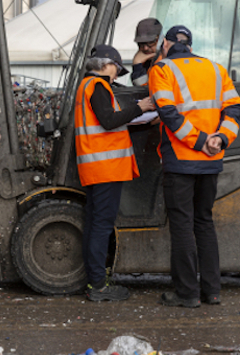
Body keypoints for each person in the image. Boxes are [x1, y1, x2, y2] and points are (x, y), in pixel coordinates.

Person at [148, 26, 240, 308]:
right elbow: (234, 109)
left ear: (166, 44)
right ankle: (212, 291)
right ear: (190, 45)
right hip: (211, 161)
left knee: (182, 226)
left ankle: (187, 293)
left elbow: (167, 112)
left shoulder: (162, 69)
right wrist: (220, 139)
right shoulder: (216, 69)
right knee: (204, 222)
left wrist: (200, 141)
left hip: (181, 160)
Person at [75, 44, 155, 301]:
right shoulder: (98, 86)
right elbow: (109, 120)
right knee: (101, 226)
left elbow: (107, 125)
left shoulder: (85, 87)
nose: (116, 75)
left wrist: (137, 120)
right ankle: (98, 286)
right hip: (105, 168)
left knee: (94, 224)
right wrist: (140, 108)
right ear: (106, 65)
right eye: (116, 69)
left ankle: (94, 282)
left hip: (95, 166)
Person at [131, 18, 164, 86]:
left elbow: (145, 90)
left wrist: (137, 66)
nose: (145, 48)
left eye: (151, 42)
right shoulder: (146, 62)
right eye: (141, 44)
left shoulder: (165, 62)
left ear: (160, 39)